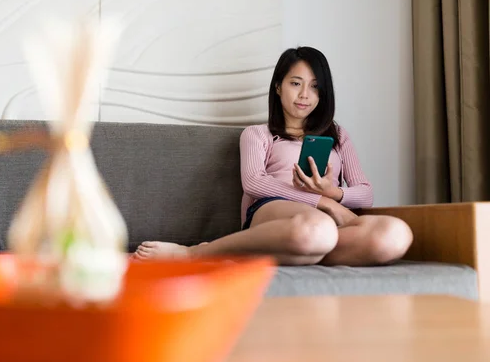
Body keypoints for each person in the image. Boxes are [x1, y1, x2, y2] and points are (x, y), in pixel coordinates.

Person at [134, 46, 413, 266]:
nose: (305, 95)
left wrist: (334, 194)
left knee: (394, 235)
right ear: (278, 87)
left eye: (315, 86)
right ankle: (197, 253)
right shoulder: (258, 134)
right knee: (319, 227)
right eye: (296, 83)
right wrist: (322, 202)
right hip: (272, 210)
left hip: (322, 223)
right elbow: (254, 183)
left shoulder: (338, 137)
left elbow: (365, 194)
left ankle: (294, 250)